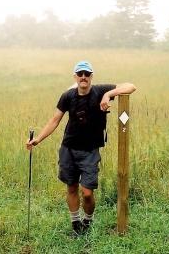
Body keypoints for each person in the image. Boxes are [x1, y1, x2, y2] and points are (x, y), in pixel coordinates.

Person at [25, 60, 136, 235]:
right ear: (75, 77)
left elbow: (131, 86)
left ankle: (88, 220)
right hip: (68, 148)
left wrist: (109, 95)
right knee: (71, 187)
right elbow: (55, 120)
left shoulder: (100, 91)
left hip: (90, 151)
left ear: (91, 76)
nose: (83, 77)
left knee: (87, 193)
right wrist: (37, 139)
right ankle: (76, 223)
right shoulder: (67, 96)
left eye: (87, 74)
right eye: (80, 74)